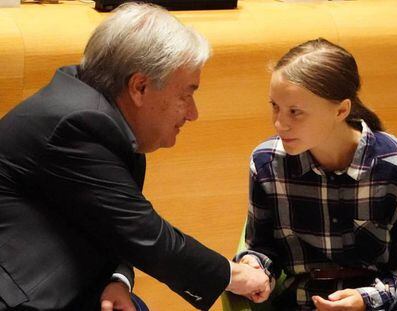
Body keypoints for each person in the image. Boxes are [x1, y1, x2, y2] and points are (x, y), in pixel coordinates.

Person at [0, 3, 271, 310]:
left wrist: (118, 279)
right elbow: (146, 235)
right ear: (140, 86)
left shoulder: (96, 112)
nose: (193, 113)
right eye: (186, 93)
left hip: (62, 281)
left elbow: (111, 226)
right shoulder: (77, 125)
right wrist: (236, 276)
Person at [236, 38, 397, 311]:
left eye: (295, 112)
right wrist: (255, 266)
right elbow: (261, 246)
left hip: (382, 303)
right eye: (275, 106)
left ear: (341, 110)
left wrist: (367, 299)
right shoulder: (267, 163)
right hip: (301, 302)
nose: (279, 123)